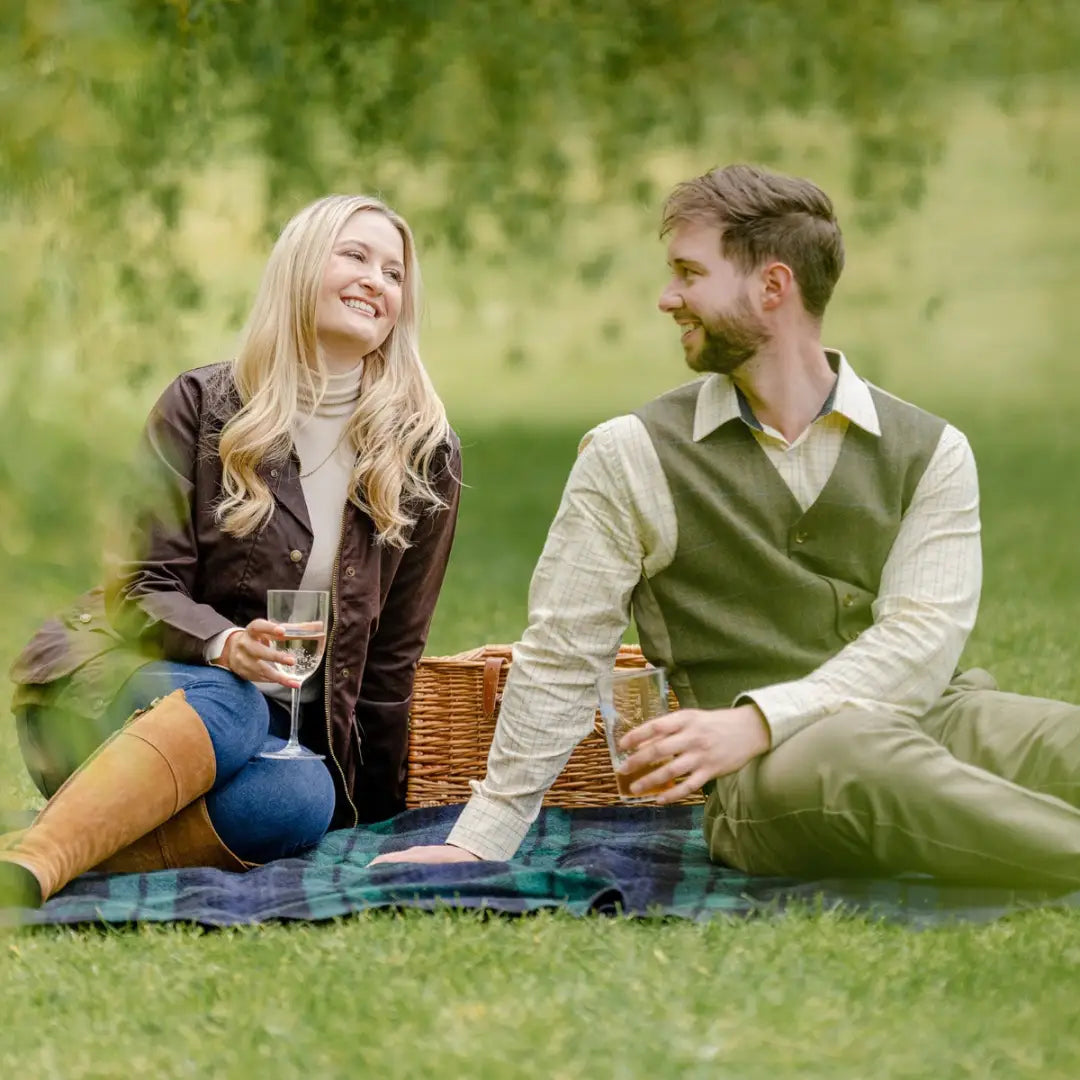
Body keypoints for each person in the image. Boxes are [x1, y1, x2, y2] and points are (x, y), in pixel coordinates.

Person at [374, 163, 1080, 891]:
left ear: (772, 287)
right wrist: (482, 836)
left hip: (932, 714)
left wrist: (761, 717)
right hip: (767, 778)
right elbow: (560, 655)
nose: (667, 297)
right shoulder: (630, 454)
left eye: (689, 272)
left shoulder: (931, 450)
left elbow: (922, 641)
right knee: (859, 757)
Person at [1, 194, 461, 908]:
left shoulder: (423, 453)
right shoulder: (200, 404)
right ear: (300, 269)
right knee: (234, 702)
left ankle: (76, 848)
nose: (377, 279)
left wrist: (376, 822)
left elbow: (391, 658)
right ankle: (42, 856)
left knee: (304, 798)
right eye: (355, 256)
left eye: (394, 272)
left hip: (265, 746)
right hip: (119, 691)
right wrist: (222, 645)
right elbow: (139, 586)